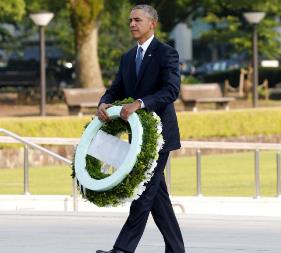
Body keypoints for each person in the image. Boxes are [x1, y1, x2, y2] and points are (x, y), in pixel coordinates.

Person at [95, 4, 185, 253]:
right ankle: (177, 250)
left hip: (160, 137)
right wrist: (104, 102)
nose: (132, 24)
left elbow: (171, 90)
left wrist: (140, 103)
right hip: (138, 137)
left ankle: (122, 249)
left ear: (152, 24)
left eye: (137, 20)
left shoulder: (167, 54)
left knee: (143, 193)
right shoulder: (127, 58)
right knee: (158, 198)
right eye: (130, 20)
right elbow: (115, 89)